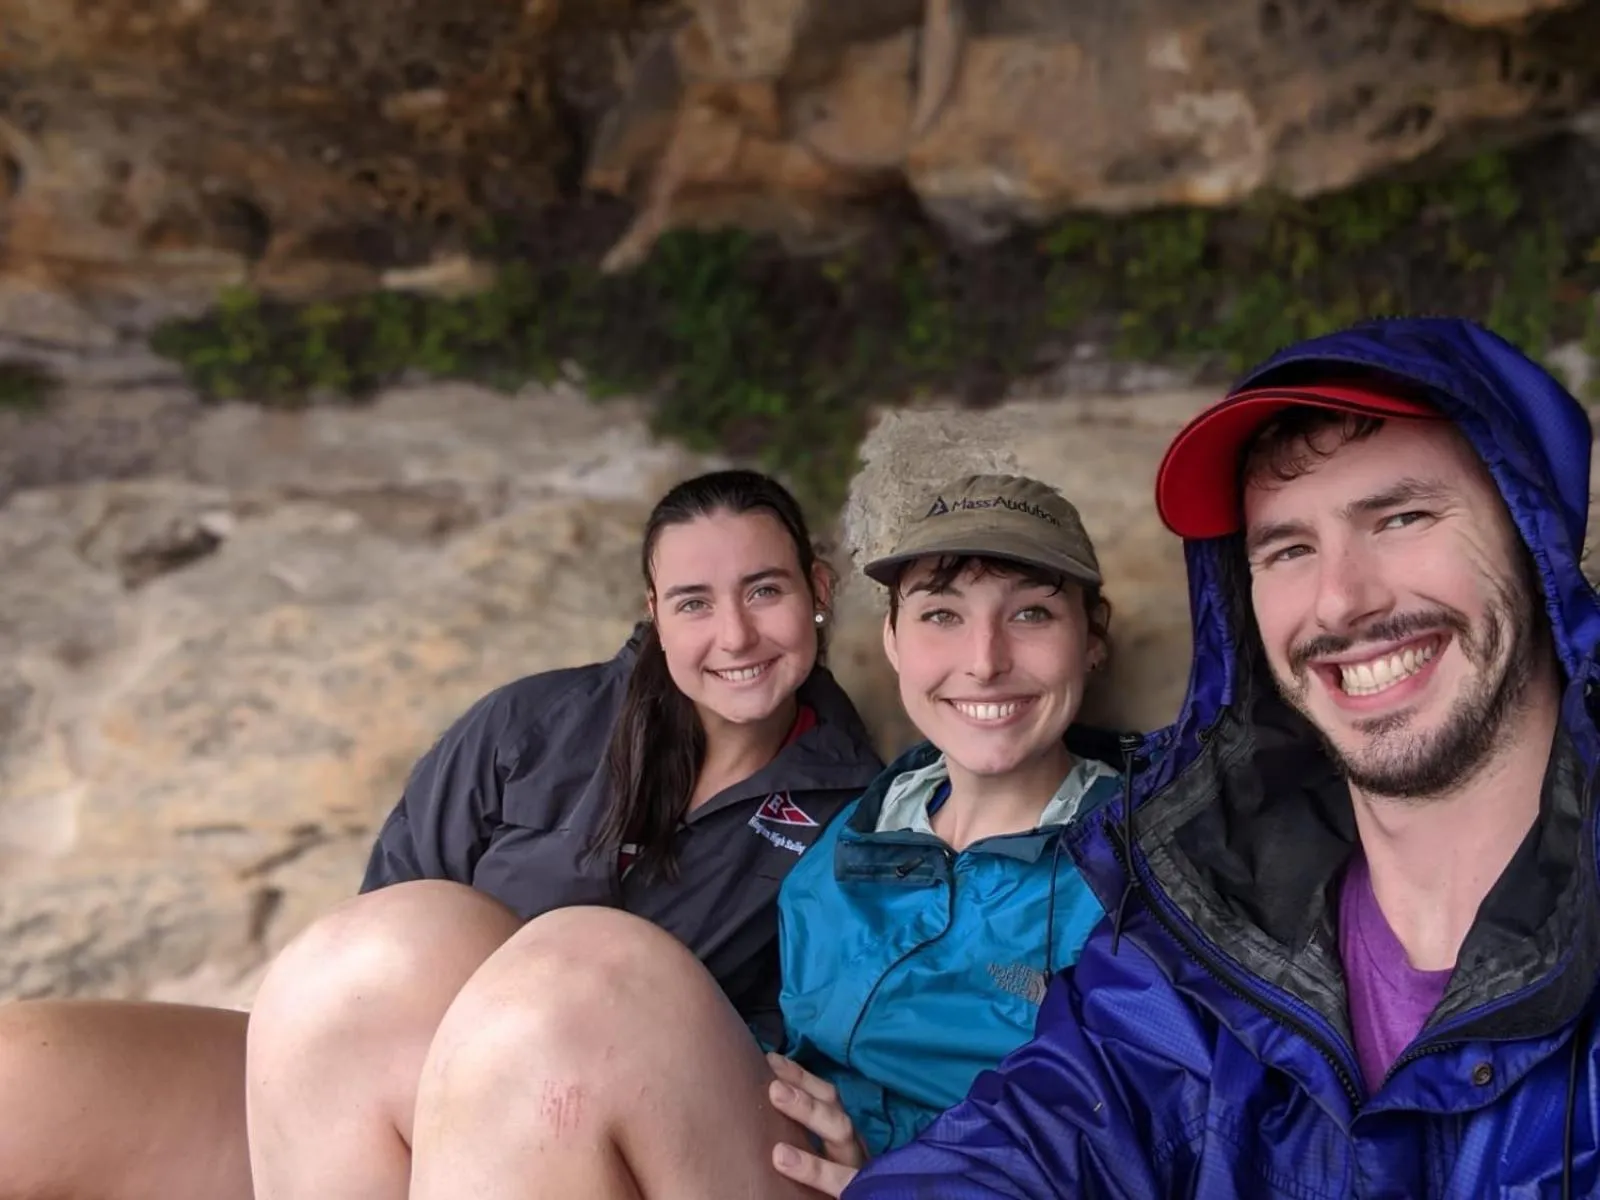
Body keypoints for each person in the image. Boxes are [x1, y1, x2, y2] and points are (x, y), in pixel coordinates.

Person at [843, 315, 1600, 1198]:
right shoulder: (1193, 926)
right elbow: (1034, 1141)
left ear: (1532, 537)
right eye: (1286, 548)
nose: (1340, 601)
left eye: (1400, 517)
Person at [0, 468, 883, 1200]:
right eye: (695, 603)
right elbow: (374, 955)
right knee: (31, 1070)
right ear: (654, 611)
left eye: (764, 591)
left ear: (818, 589)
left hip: (630, 1136)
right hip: (422, 1118)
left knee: (570, 981)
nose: (734, 635)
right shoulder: (531, 726)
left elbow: (835, 1040)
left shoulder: (870, 813)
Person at [387, 472, 1133, 1200]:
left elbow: (1158, 1120)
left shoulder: (1147, 869)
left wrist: (905, 1173)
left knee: (580, 978)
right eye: (942, 615)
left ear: (1091, 640)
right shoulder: (849, 847)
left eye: (1032, 614)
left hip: (919, 1179)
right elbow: (779, 1043)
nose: (984, 661)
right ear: (896, 641)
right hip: (776, 1152)